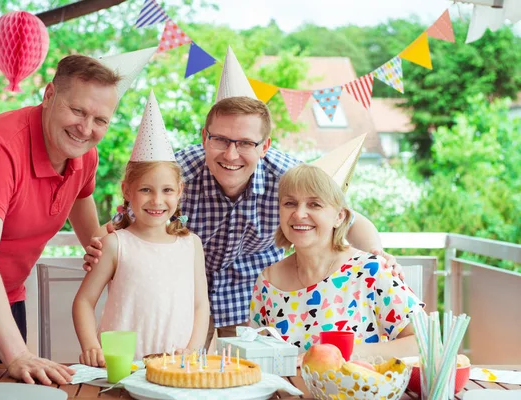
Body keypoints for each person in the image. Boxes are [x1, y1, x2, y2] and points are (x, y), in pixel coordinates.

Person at [84, 46, 402, 349]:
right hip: (184, 301)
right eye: (220, 139)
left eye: (246, 143)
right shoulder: (175, 177)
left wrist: (378, 254)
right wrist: (99, 248)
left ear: (264, 147)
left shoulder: (288, 178)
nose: (231, 154)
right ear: (204, 137)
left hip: (258, 301)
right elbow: (125, 220)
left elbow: (349, 218)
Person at [0, 55, 121, 385]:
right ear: (49, 95)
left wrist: (122, 252)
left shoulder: (84, 154)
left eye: (101, 119)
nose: (86, 128)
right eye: (77, 111)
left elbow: (93, 232)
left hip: (7, 296)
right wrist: (18, 354)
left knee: (18, 388)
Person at [72, 92, 209, 365]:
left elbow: (200, 305)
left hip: (176, 366)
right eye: (146, 189)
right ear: (127, 190)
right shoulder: (115, 244)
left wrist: (193, 349)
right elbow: (83, 302)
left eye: (167, 190)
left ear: (180, 192)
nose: (157, 200)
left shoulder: (190, 244)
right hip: (123, 365)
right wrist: (90, 346)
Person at [249, 164, 424, 360]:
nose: (299, 214)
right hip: (288, 392)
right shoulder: (267, 282)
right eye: (290, 203)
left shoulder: (371, 271)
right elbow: (257, 358)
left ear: (340, 216)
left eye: (315, 204)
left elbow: (424, 342)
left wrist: (347, 352)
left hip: (358, 390)